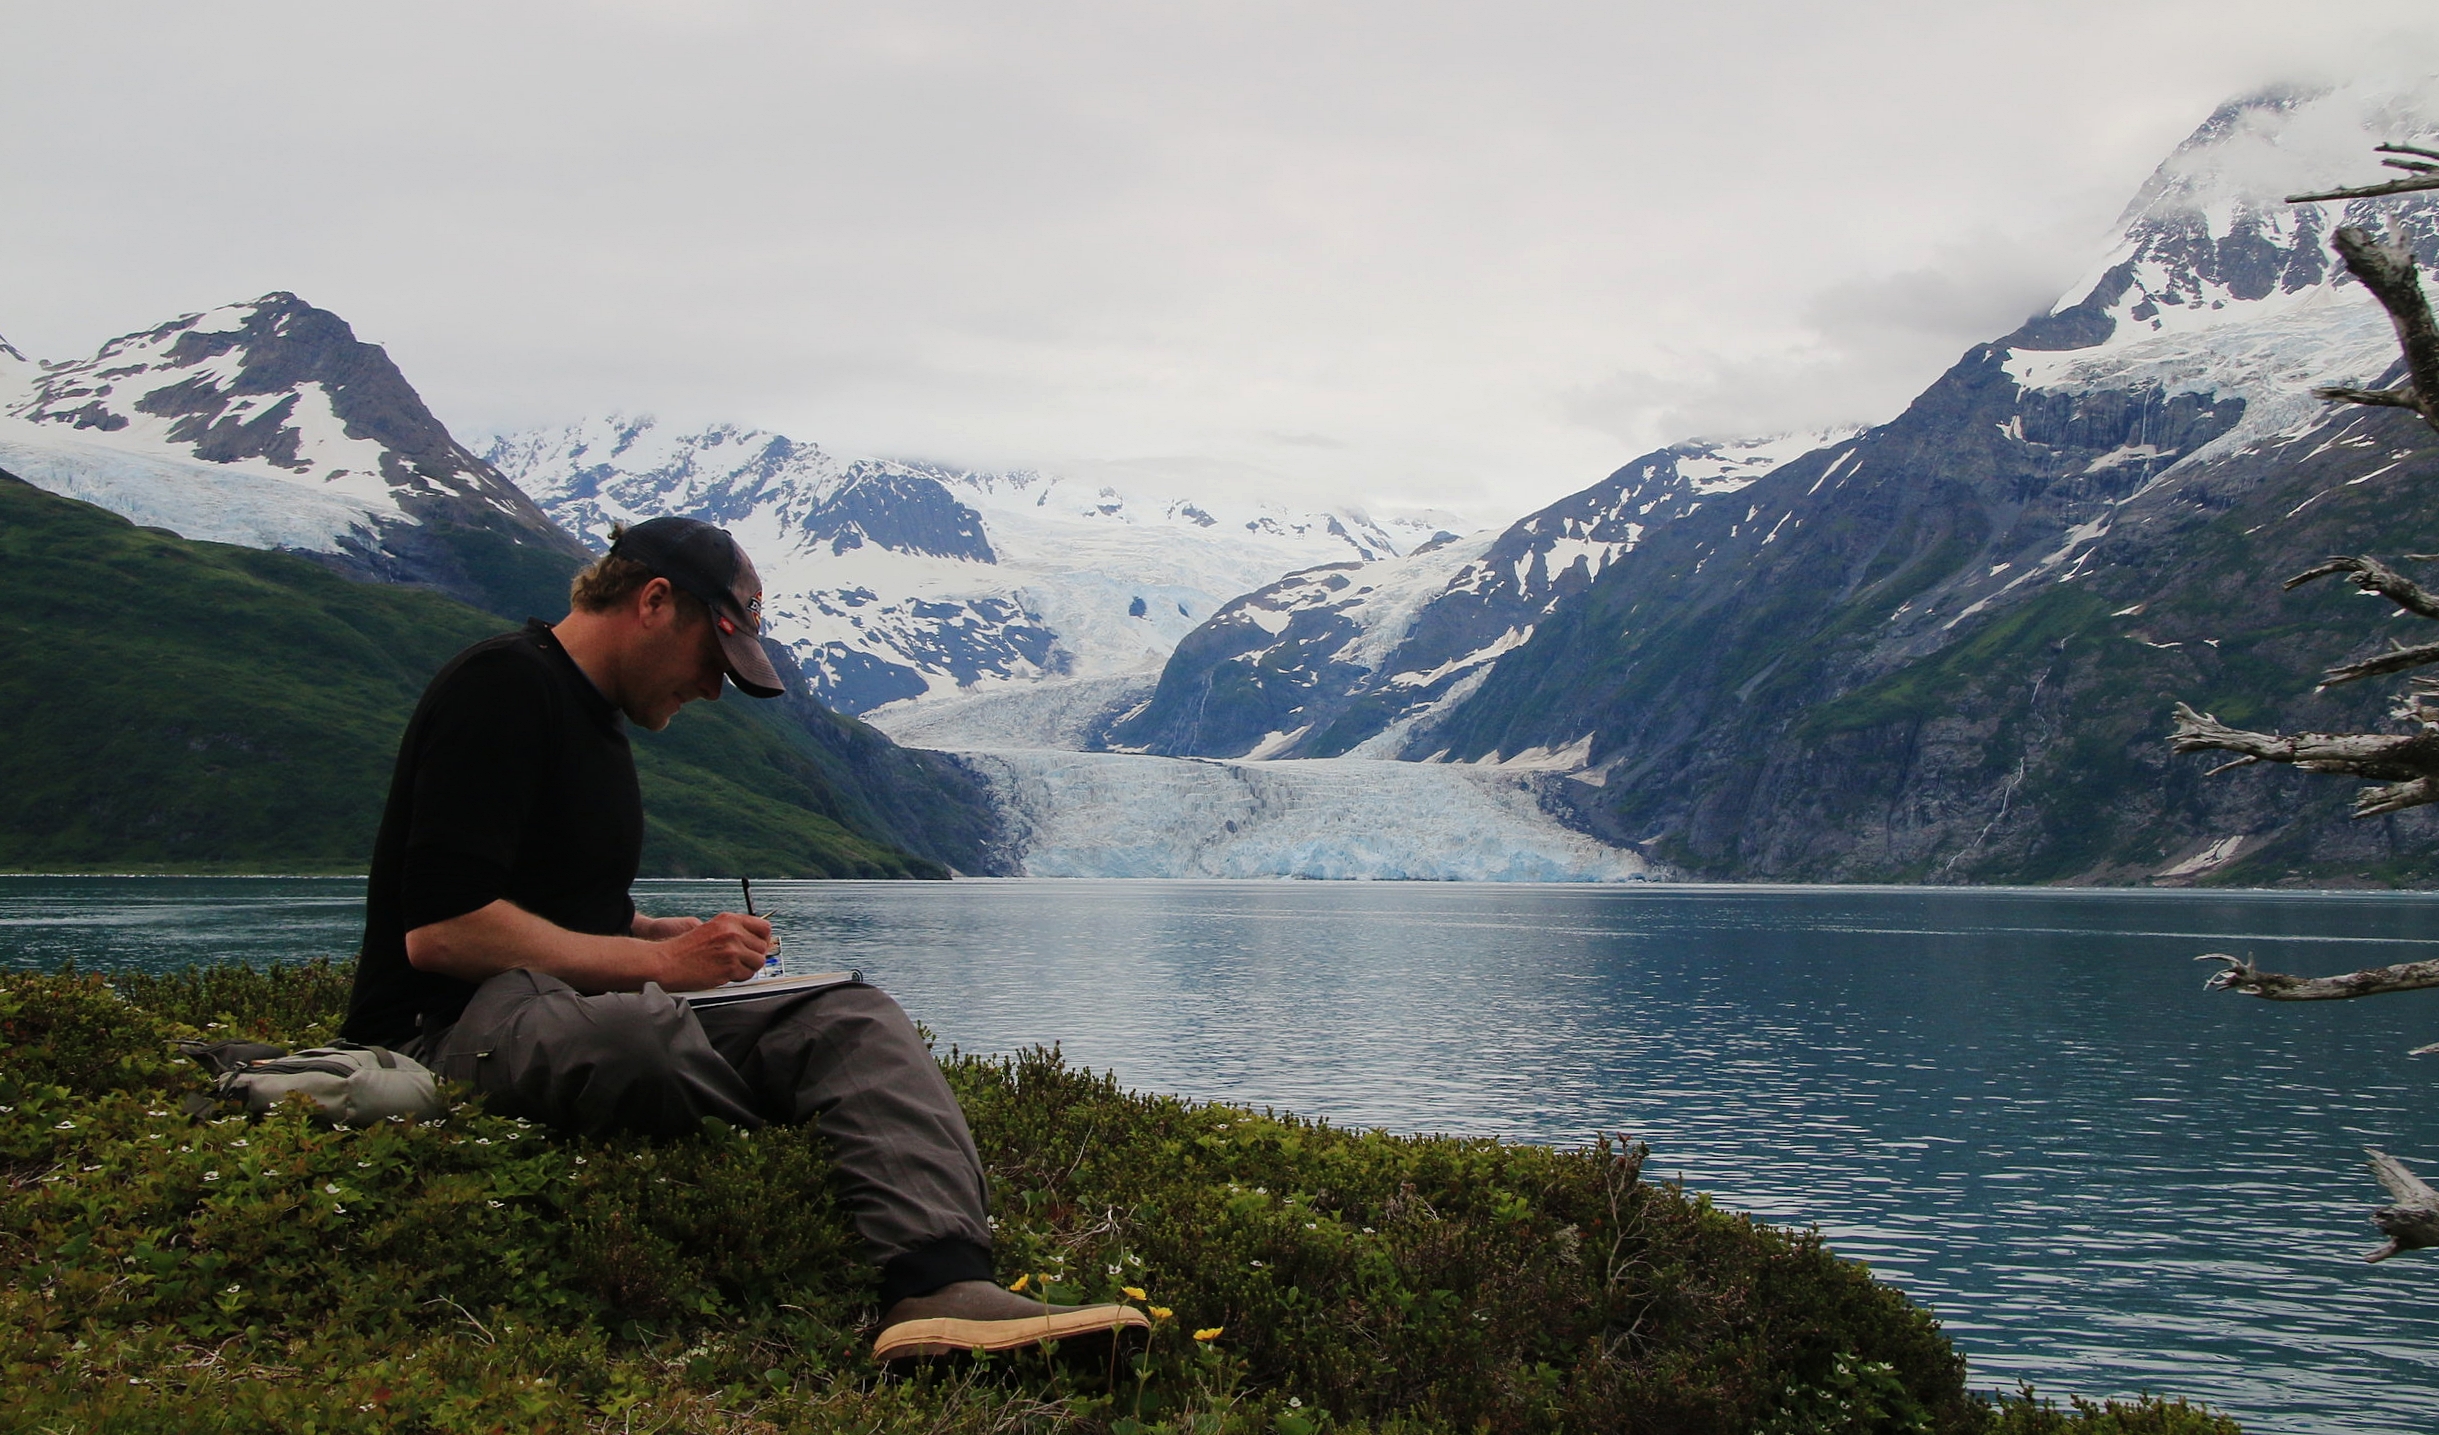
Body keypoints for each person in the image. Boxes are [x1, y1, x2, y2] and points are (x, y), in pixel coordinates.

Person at [338, 516, 1145, 1361]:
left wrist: (657, 931)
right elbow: (442, 931)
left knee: (848, 1014)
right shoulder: (500, 686)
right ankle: (811, 1147)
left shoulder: (599, 723)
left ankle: (940, 1284)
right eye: (711, 660)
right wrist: (658, 963)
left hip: (555, 1012)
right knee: (635, 1034)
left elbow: (561, 908)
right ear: (655, 601)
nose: (715, 689)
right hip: (440, 1028)